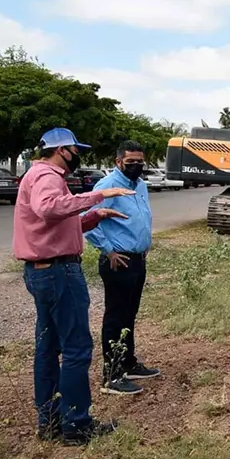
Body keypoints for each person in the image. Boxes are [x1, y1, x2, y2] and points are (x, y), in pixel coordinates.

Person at [12, 127, 135, 446]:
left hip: (44, 271)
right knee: (77, 349)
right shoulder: (48, 176)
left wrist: (93, 216)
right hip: (59, 273)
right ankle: (76, 423)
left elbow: (52, 222)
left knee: (48, 348)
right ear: (62, 150)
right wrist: (99, 195)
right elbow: (49, 209)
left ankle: (51, 421)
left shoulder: (37, 175)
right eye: (76, 151)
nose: (78, 157)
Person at [84, 140, 159, 395]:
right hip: (119, 261)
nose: (136, 166)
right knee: (116, 317)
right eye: (131, 162)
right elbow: (87, 222)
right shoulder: (107, 187)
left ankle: (128, 363)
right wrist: (108, 250)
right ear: (118, 162)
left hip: (137, 259)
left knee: (129, 315)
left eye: (140, 162)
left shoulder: (140, 185)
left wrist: (143, 243)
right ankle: (112, 375)